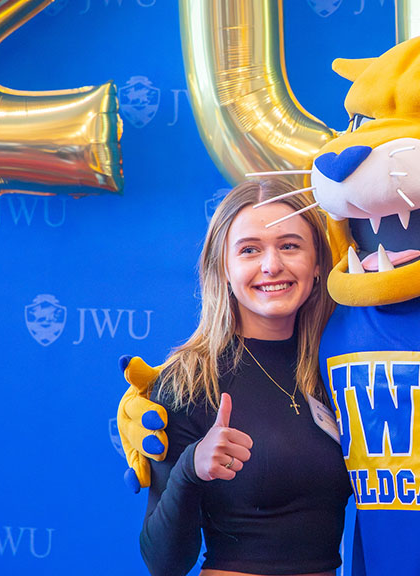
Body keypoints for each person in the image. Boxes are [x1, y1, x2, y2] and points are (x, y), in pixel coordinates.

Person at [137, 179, 352, 576]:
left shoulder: (339, 368)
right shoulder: (188, 380)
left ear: (318, 262)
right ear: (224, 267)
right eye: (250, 250)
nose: (272, 265)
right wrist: (191, 466)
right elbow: (163, 563)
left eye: (290, 245)